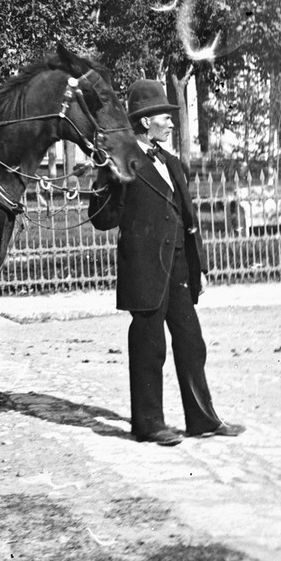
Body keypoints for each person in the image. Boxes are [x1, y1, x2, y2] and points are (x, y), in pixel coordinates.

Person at [88, 80, 244, 446]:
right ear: (145, 123)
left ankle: (202, 420)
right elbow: (101, 218)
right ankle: (148, 424)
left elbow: (188, 219)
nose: (172, 124)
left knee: (192, 342)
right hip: (143, 271)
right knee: (150, 347)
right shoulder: (123, 161)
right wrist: (108, 177)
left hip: (178, 269)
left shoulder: (171, 163)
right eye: (164, 117)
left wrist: (198, 266)